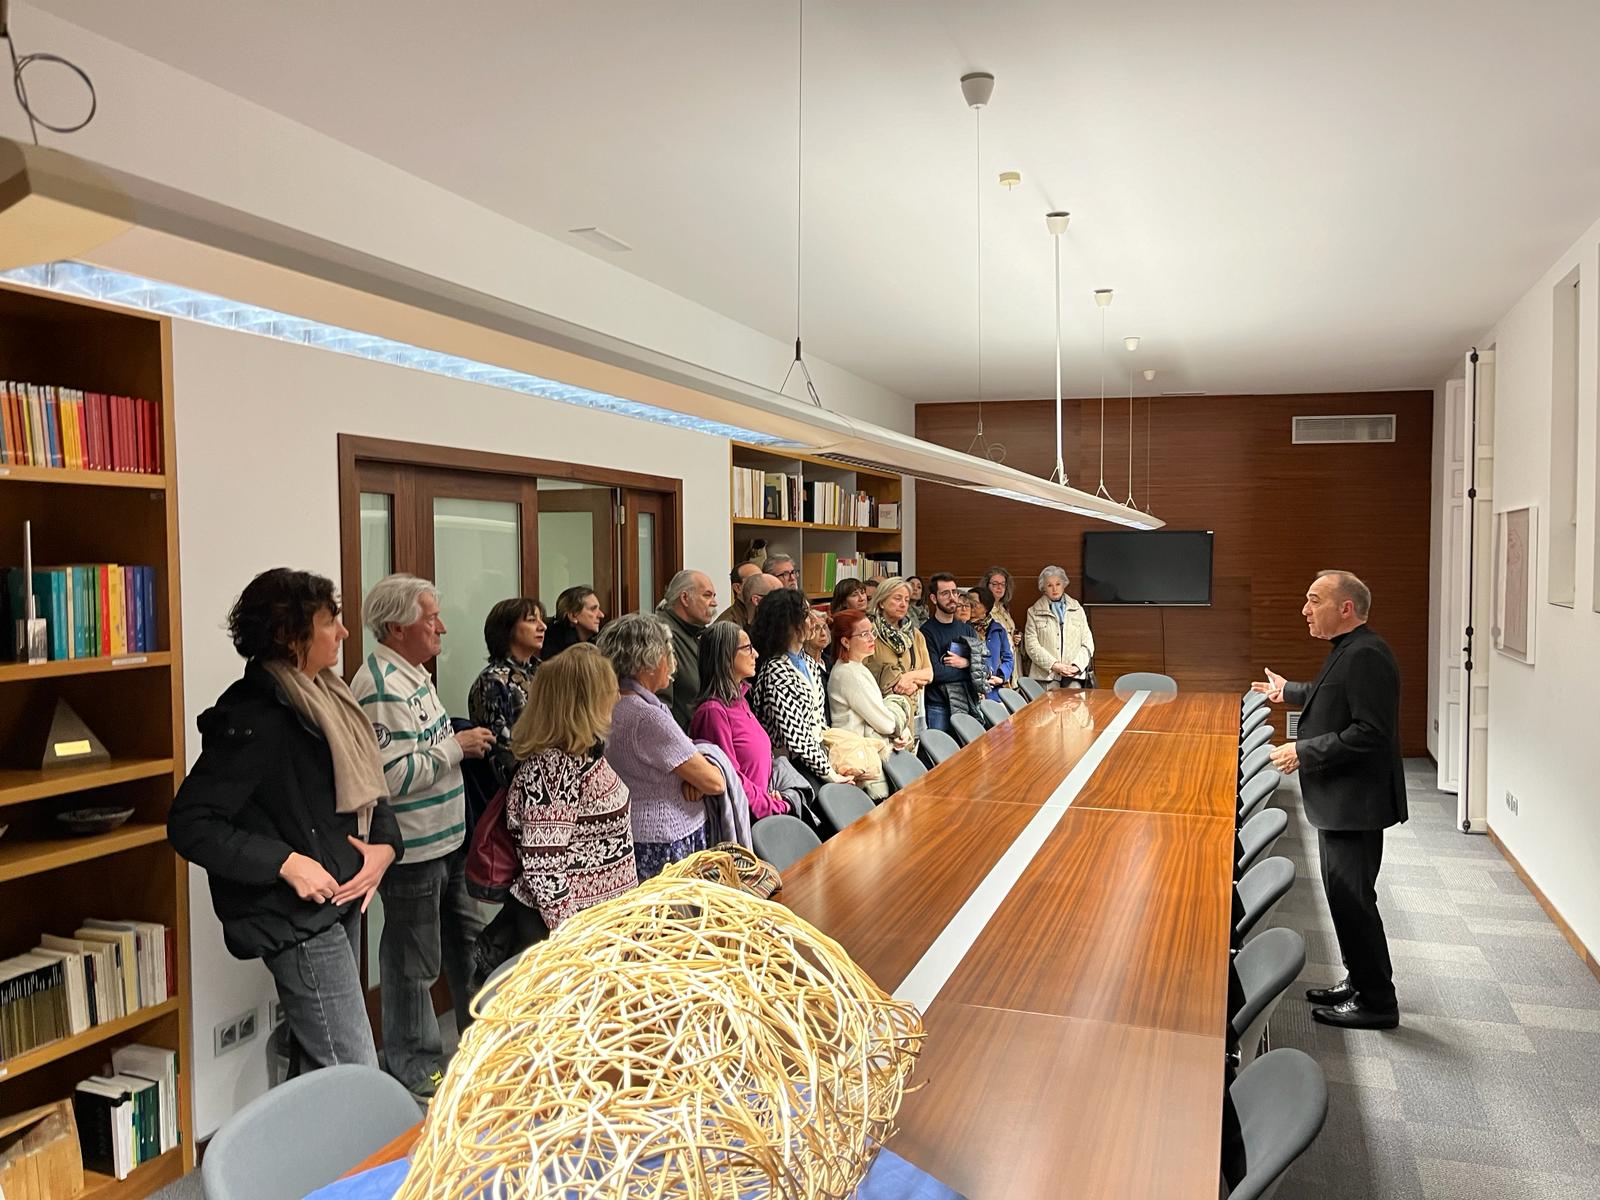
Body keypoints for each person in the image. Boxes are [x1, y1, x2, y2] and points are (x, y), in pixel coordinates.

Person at [169, 568, 402, 1076]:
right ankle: (365, 1155)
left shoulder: (328, 698)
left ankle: (317, 1154)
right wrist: (286, 862)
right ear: (289, 634)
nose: (342, 633)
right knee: (351, 1068)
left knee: (322, 1062)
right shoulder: (255, 716)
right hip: (296, 918)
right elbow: (190, 823)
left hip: (338, 899)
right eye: (329, 621)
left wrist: (384, 846)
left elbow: (365, 787)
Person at [350, 573, 494, 1099]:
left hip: (447, 839)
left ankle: (482, 1042)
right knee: (414, 962)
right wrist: (456, 748)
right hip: (413, 849)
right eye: (429, 617)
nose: (442, 627)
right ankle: (414, 1063)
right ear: (395, 626)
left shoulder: (414, 673)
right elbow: (389, 777)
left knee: (467, 944)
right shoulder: (381, 687)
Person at [1253, 570, 1407, 1030]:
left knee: (1354, 900)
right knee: (1344, 899)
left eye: (1314, 600)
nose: (1305, 610)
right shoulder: (1350, 651)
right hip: (1341, 802)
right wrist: (1290, 692)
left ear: (1345, 608)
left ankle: (1378, 1001)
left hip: (1355, 805)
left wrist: (1302, 750)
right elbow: (1332, 697)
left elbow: (1370, 733)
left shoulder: (1366, 656)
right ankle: (1359, 978)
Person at [504, 644, 636, 936]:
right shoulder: (553, 769)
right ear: (584, 702)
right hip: (578, 935)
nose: (616, 698)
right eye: (608, 691)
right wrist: (575, 938)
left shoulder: (581, 754)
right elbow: (543, 869)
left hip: (601, 922)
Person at [596, 613, 726, 880]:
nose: (672, 662)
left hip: (635, 833)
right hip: (665, 837)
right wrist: (697, 774)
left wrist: (692, 774)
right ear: (651, 660)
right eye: (668, 653)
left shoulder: (611, 705)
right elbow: (714, 782)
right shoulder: (647, 716)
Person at [749, 588, 854, 785]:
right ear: (787, 623)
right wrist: (831, 775)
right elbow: (797, 738)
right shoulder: (776, 672)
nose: (814, 621)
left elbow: (819, 723)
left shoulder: (808, 661)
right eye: (806, 615)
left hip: (819, 760)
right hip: (794, 767)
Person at [690, 622, 789, 821]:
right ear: (725, 656)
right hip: (746, 822)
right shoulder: (713, 713)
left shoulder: (741, 701)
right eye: (747, 648)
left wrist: (771, 797)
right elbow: (731, 778)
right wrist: (772, 806)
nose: (756, 654)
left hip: (764, 811)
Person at [828, 609, 913, 798]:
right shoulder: (849, 673)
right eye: (864, 634)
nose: (871, 638)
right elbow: (886, 723)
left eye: (872, 632)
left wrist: (898, 727)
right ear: (845, 641)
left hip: (867, 755)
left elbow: (883, 718)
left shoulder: (856, 667)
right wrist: (899, 721)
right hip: (861, 764)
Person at [468, 597, 545, 789]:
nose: (542, 626)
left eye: (541, 619)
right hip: (518, 789)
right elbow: (501, 753)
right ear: (507, 629)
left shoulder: (543, 672)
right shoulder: (492, 681)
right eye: (531, 620)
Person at [655, 569, 719, 731]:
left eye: (714, 596)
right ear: (684, 598)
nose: (714, 602)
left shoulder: (695, 634)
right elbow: (660, 706)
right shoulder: (662, 636)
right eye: (707, 595)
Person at [864, 577, 933, 724]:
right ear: (881, 602)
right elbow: (862, 674)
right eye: (897, 598)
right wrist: (897, 684)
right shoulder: (869, 633)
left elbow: (929, 673)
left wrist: (908, 679)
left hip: (912, 711)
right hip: (880, 712)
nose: (903, 604)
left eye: (907, 600)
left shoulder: (915, 635)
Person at [920, 573, 981, 733]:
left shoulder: (966, 629)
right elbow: (936, 673)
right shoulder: (926, 632)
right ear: (934, 599)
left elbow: (984, 665)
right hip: (938, 706)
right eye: (945, 593)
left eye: (954, 592)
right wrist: (971, 670)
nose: (952, 597)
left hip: (967, 703)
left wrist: (967, 663)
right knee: (940, 756)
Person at [1023, 565, 1094, 688]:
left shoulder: (1077, 609)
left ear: (1064, 585)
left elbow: (1088, 642)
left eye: (1058, 584)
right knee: (1049, 705)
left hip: (1074, 674)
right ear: (1043, 588)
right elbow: (1031, 645)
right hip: (1046, 675)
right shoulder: (1033, 611)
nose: (1054, 589)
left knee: (1075, 703)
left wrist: (1076, 666)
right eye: (1049, 585)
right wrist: (1054, 665)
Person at [967, 588, 1013, 702]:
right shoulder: (963, 627)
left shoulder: (998, 629)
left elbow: (1008, 658)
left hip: (994, 690)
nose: (969, 606)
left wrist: (1001, 678)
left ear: (986, 607)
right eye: (967, 603)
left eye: (974, 604)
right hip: (971, 689)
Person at [542, 585, 604, 659]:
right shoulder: (552, 643)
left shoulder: (602, 640)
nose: (601, 615)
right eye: (593, 609)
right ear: (573, 616)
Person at [982, 566, 1020, 678]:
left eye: (1003, 584)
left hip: (1010, 662)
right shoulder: (984, 611)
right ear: (987, 585)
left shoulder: (1004, 609)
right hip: (996, 667)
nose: (999, 587)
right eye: (995, 584)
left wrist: (1014, 639)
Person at [716, 562, 762, 626]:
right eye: (754, 580)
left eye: (762, 579)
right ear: (738, 588)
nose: (762, 584)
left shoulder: (764, 613)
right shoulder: (727, 624)